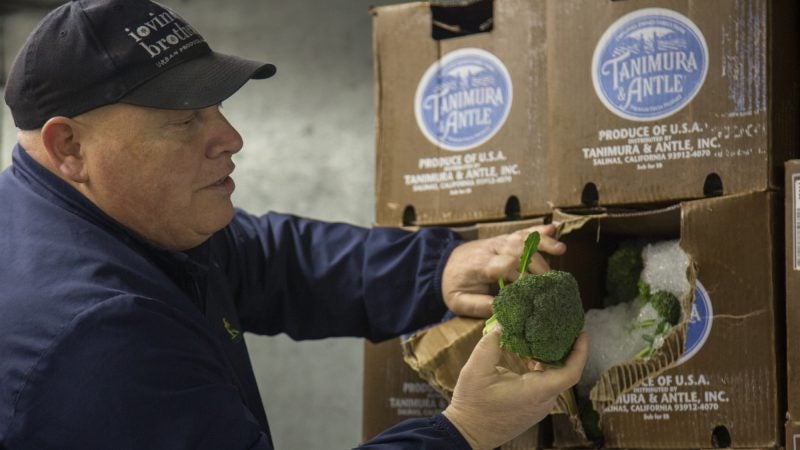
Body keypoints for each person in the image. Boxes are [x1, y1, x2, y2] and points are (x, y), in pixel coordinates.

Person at [0, 0, 588, 449]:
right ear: (69, 146)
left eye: (219, 109)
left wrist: (436, 269)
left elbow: (263, 256)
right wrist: (465, 430)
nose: (231, 139)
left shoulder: (103, 215)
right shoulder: (95, 340)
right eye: (184, 121)